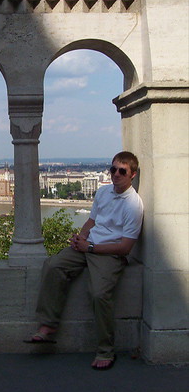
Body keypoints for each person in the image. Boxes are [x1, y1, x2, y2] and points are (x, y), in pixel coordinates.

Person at [25, 151, 144, 370]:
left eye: (122, 171)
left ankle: (105, 349)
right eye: (113, 169)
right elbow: (91, 221)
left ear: (132, 175)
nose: (116, 174)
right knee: (53, 265)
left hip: (110, 253)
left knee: (99, 294)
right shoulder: (103, 192)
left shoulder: (134, 205)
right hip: (88, 245)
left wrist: (91, 247)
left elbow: (126, 247)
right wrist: (82, 237)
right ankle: (48, 325)